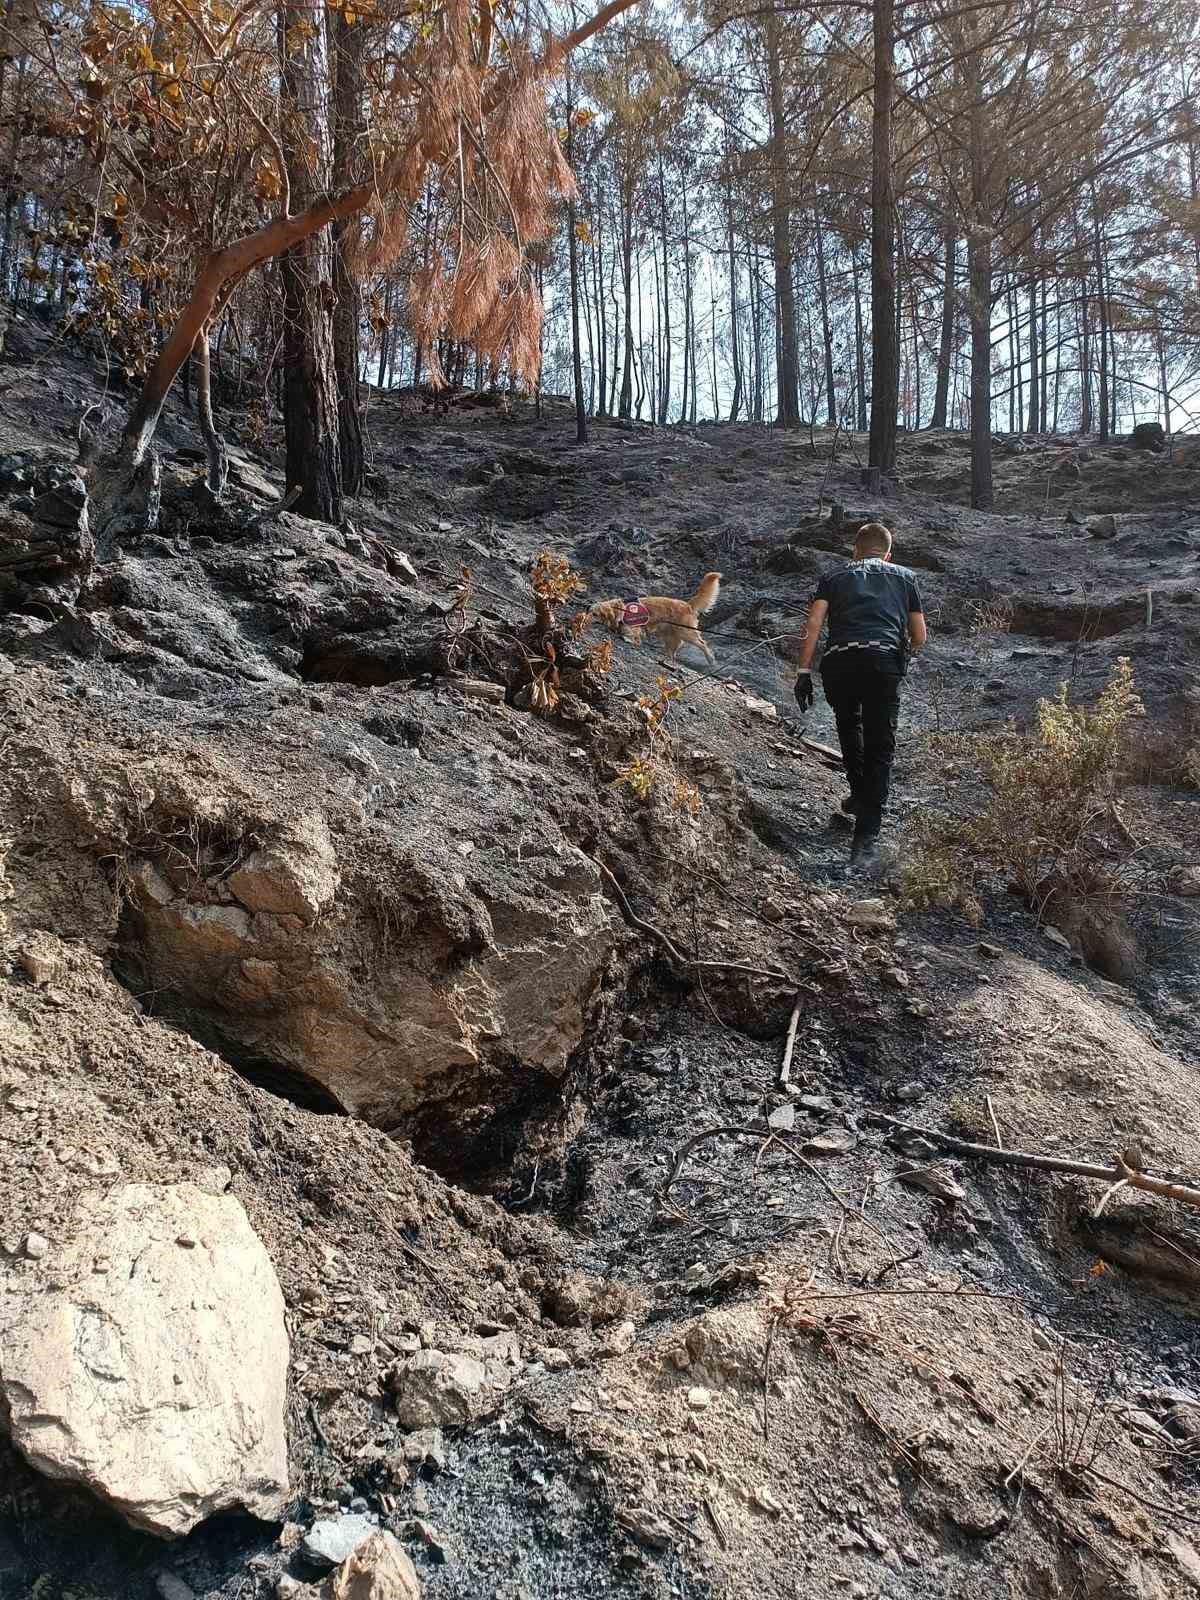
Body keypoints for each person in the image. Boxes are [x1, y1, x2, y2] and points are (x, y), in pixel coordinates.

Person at [793, 521, 927, 867]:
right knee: (881, 746)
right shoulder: (906, 578)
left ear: (854, 550)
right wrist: (905, 650)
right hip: (884, 662)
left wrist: (803, 672)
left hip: (840, 663)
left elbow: (814, 625)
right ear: (888, 553)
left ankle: (857, 793)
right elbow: (920, 636)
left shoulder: (834, 577)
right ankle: (865, 841)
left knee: (848, 725)